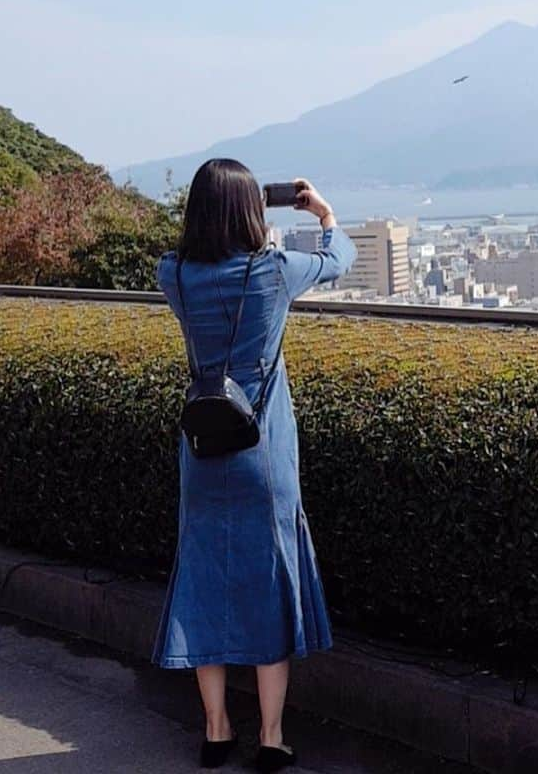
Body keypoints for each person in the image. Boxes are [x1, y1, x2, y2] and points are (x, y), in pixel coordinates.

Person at [151, 159, 356, 772]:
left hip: (203, 454)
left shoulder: (176, 276)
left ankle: (215, 731)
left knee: (204, 586)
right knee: (268, 588)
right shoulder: (272, 274)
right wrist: (323, 214)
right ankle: (270, 738)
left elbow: (182, 257)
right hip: (263, 456)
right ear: (250, 210)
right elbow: (337, 259)